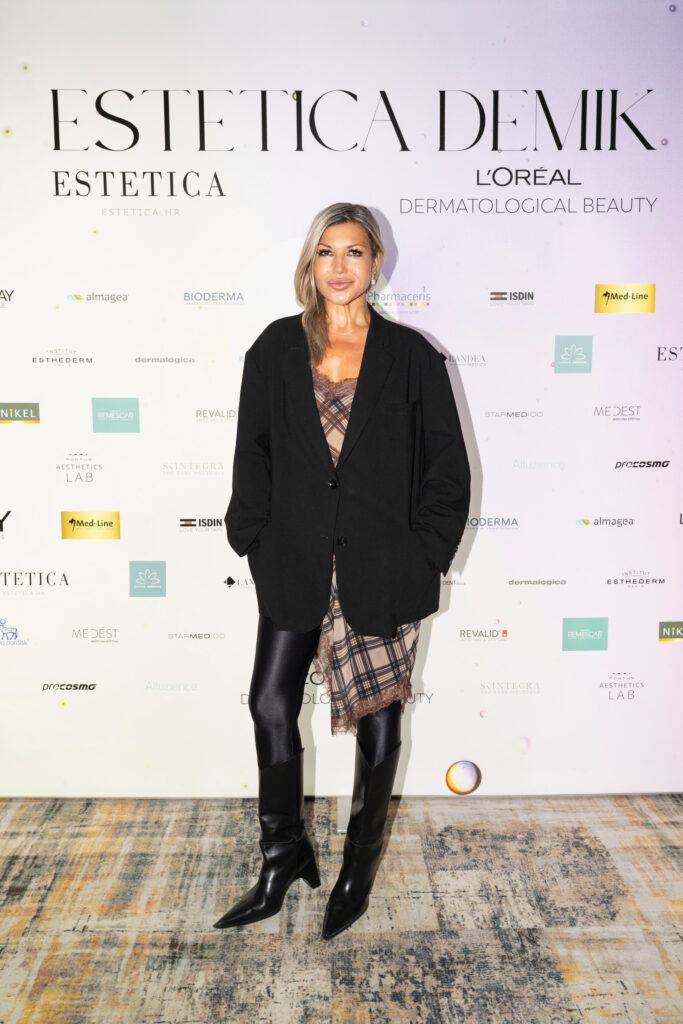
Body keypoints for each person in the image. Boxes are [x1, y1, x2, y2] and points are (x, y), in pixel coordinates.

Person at [215, 202, 470, 939]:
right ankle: (282, 857)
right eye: (325, 251)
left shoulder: (411, 356)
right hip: (294, 559)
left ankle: (358, 868)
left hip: (383, 566)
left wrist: (425, 552)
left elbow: (447, 469)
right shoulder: (274, 347)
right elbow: (252, 452)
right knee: (270, 704)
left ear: (375, 262)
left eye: (353, 251)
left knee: (380, 720)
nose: (338, 266)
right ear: (309, 261)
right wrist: (255, 539)